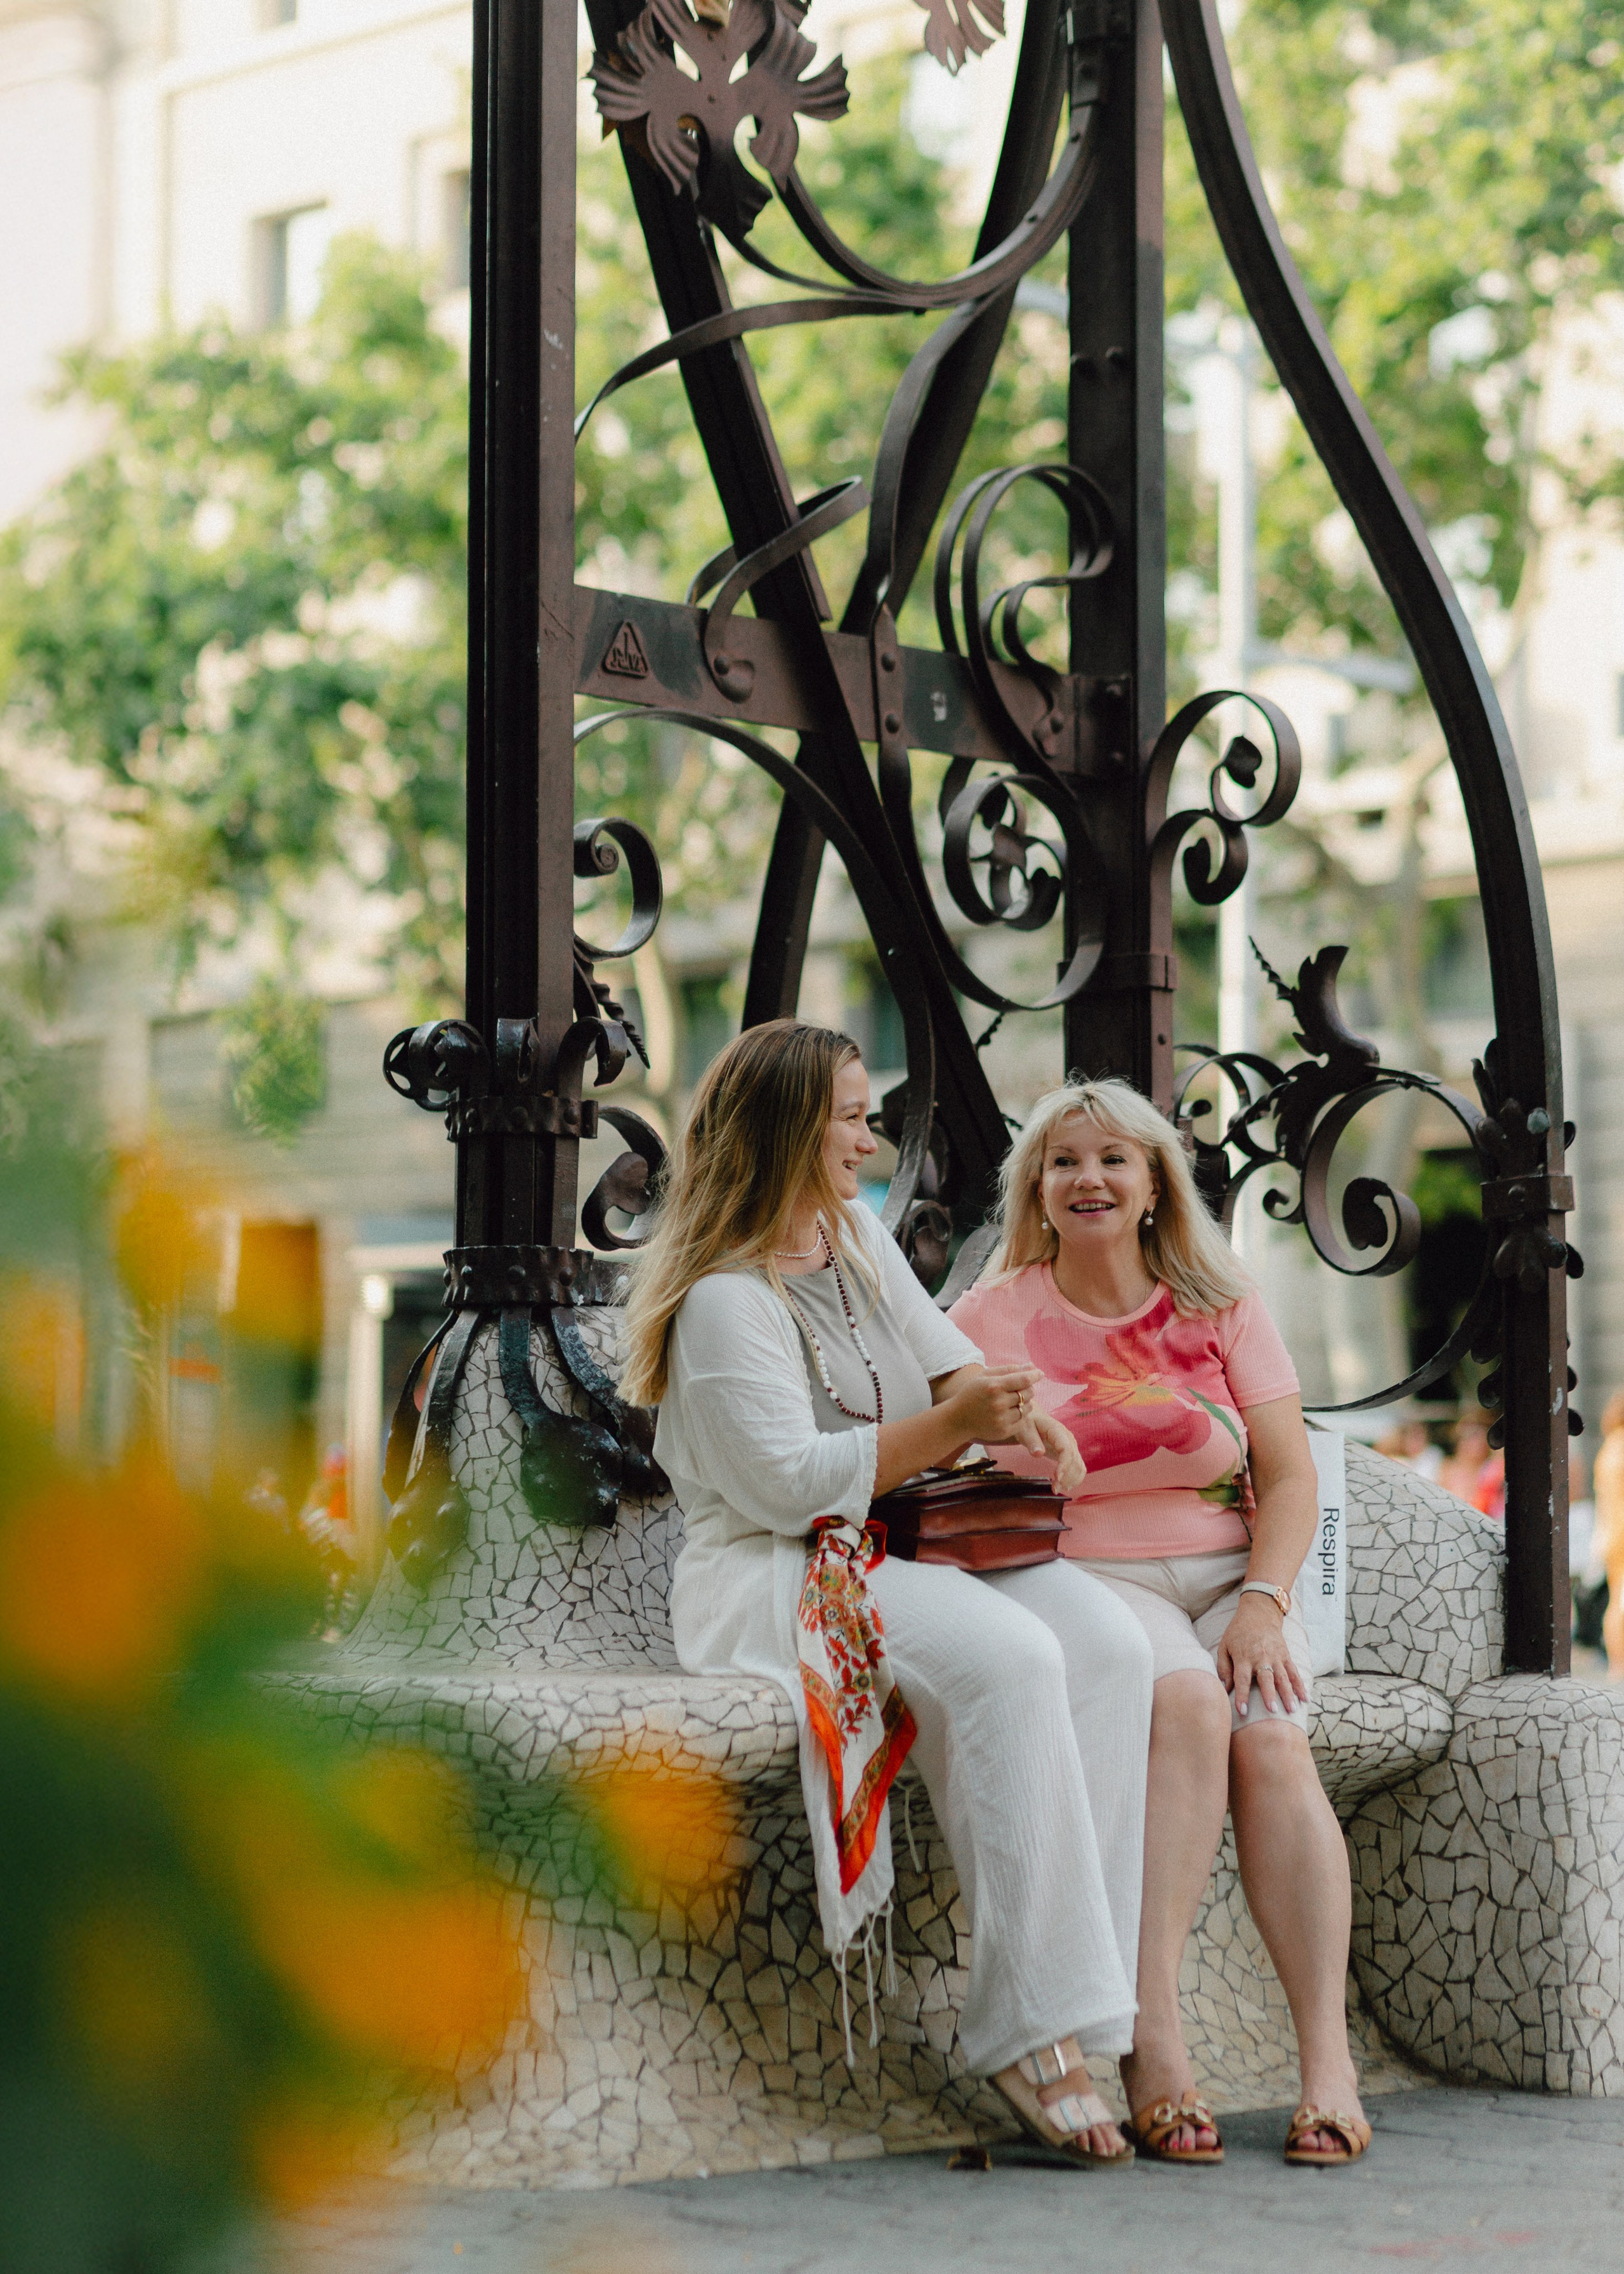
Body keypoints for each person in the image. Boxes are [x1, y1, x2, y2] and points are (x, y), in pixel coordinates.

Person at [622, 1022, 1155, 2166]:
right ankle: (1027, 2027)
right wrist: (953, 1426)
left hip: (894, 1538)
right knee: (1012, 1658)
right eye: (852, 1117)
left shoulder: (853, 1233)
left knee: (1107, 1644)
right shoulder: (725, 1299)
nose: (874, 1134)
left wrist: (1015, 1409)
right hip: (771, 1568)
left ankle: (1082, 1999)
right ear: (788, 1132)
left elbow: (943, 1350)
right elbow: (789, 1485)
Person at [948, 1077, 1371, 2169]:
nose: (1088, 1177)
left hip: (1247, 1574)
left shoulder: (1221, 1300)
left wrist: (1267, 1607)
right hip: (1099, 1576)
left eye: (1113, 1159)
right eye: (1063, 1160)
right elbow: (918, 1423)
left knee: (1273, 1736)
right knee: (1184, 1699)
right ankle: (1157, 2039)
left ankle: (1328, 2064)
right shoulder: (988, 1314)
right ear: (1036, 1189)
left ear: (1152, 1184)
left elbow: (1287, 1479)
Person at [1592, 1394, 1624, 1675]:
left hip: (1612, 1532)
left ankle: (1617, 1662)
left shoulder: (1610, 1447)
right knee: (1621, 1600)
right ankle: (1619, 1662)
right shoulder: (1621, 1448)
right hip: (1622, 1532)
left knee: (1618, 1597)